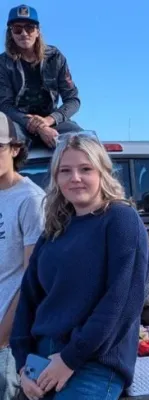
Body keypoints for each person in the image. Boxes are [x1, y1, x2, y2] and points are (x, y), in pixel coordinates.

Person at [10, 132, 149, 400]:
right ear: (56, 179)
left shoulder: (120, 220)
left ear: (102, 173)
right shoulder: (54, 230)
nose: (75, 178)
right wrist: (22, 365)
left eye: (85, 169)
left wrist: (69, 360)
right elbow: (29, 298)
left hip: (92, 362)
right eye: (65, 171)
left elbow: (121, 303)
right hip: (41, 360)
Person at [0, 111, 45, 400]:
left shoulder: (30, 199)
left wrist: (3, 338)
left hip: (6, 338)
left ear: (15, 149)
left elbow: (31, 277)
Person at [0, 4, 82, 149]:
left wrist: (49, 120)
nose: (24, 33)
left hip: (52, 120)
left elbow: (73, 100)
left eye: (30, 28)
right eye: (18, 29)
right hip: (18, 123)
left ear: (38, 31)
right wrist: (37, 127)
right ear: (11, 34)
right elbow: (5, 105)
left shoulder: (55, 57)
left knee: (83, 142)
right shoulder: (3, 63)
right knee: (5, 143)